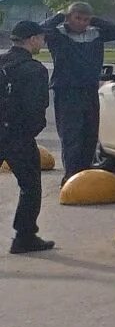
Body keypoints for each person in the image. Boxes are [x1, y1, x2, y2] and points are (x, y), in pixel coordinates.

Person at [39, 2, 115, 180]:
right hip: (67, 91)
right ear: (69, 18)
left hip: (90, 90)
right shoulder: (58, 34)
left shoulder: (95, 34)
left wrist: (95, 20)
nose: (82, 23)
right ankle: (71, 177)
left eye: (86, 19)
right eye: (77, 18)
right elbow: (40, 29)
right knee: (71, 136)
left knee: (89, 135)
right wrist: (60, 15)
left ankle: (84, 177)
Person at [1, 21, 53, 254]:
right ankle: (24, 236)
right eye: (41, 38)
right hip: (18, 137)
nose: (42, 42)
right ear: (32, 40)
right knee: (30, 186)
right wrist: (30, 131)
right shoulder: (34, 70)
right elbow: (36, 108)